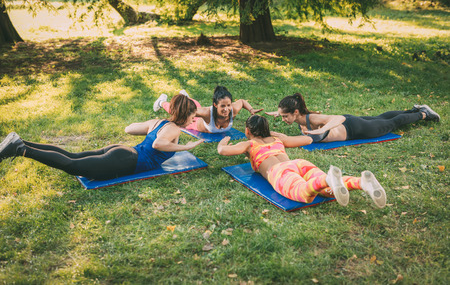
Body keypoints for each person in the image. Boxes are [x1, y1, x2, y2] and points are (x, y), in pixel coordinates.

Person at [0, 95, 204, 180]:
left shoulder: (159, 122)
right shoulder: (175, 130)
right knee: (73, 165)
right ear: (185, 115)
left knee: (72, 155)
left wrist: (150, 130)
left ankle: (21, 141)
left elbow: (129, 129)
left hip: (122, 151)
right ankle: (19, 148)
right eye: (193, 117)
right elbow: (159, 144)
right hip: (128, 159)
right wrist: (185, 147)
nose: (193, 121)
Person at [217, 115, 387, 208]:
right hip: (298, 164)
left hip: (279, 172)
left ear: (247, 131)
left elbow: (223, 151)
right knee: (328, 191)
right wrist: (284, 137)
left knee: (305, 194)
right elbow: (308, 141)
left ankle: (328, 179)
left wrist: (223, 142)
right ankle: (361, 182)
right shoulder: (278, 140)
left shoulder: (249, 144)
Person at [265, 93, 440, 143]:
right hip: (353, 124)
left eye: (285, 116)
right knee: (379, 117)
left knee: (390, 123)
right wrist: (278, 113)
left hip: (356, 129)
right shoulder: (300, 117)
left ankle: (423, 114)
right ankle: (412, 110)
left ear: (295, 112)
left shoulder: (314, 120)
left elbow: (339, 118)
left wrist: (324, 129)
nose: (283, 119)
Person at [153, 86, 263, 133]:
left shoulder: (233, 109)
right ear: (215, 105)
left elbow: (242, 102)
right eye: (222, 106)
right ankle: (161, 102)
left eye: (228, 105)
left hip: (199, 113)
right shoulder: (206, 113)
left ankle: (186, 97)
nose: (226, 109)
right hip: (194, 124)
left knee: (196, 105)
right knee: (181, 109)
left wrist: (251, 110)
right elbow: (182, 110)